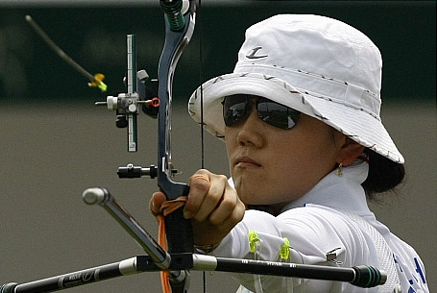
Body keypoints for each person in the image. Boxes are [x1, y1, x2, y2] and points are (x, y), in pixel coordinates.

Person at [150, 14, 429, 292]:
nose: (246, 134)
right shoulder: (406, 258)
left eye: (277, 113)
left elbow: (289, 245)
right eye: (235, 109)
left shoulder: (343, 233)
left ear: (348, 145)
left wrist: (225, 233)